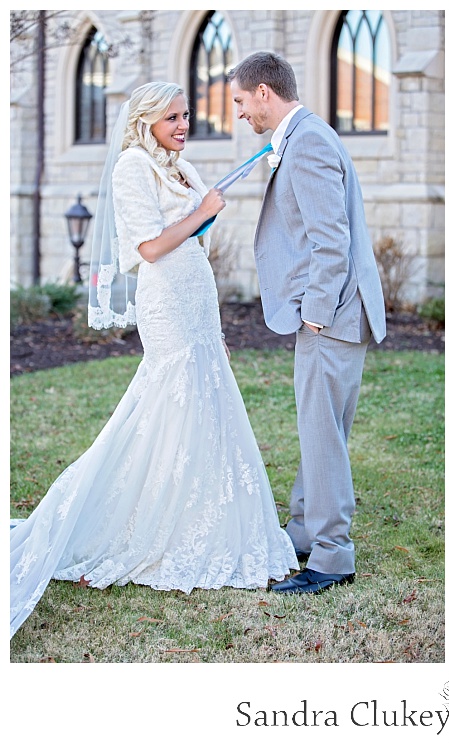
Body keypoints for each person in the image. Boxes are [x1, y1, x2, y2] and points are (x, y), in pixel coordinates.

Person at [9, 82, 298, 639]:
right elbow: (147, 247)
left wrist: (205, 213)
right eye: (172, 118)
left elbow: (193, 233)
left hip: (197, 295)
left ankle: (203, 515)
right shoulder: (132, 168)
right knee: (167, 402)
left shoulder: (178, 166)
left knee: (205, 401)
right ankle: (142, 523)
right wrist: (204, 212)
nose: (183, 125)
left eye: (186, 115)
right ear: (145, 121)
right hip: (165, 299)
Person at [227, 52, 386, 595]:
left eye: (242, 102)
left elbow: (330, 239)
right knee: (323, 433)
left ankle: (332, 556)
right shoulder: (302, 138)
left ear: (265, 93)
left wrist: (315, 315)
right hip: (336, 315)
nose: (240, 113)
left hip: (331, 316)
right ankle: (301, 531)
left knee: (324, 436)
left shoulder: (310, 141)